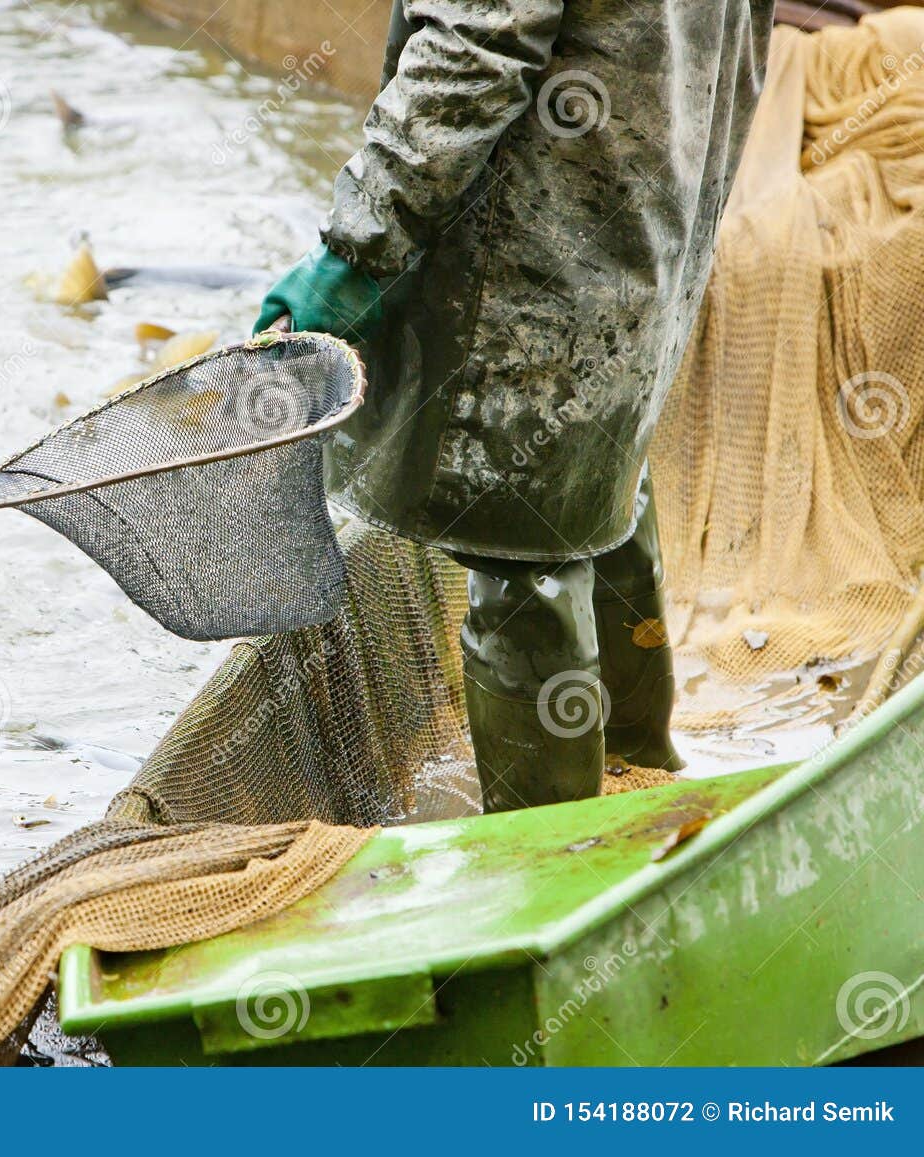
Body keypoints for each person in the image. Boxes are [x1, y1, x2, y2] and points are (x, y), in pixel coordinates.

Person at [257, 1, 775, 812]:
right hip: (661, 181)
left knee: (524, 542)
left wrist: (355, 249)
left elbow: (479, 38)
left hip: (554, 212)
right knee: (598, 472)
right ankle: (637, 762)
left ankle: (554, 847)